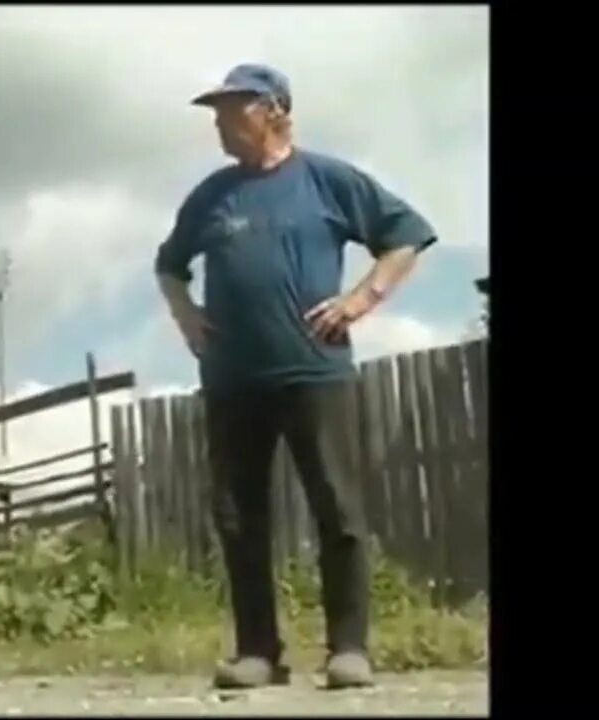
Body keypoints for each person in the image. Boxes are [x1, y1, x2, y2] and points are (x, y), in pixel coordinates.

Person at [154, 63, 436, 690]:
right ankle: (258, 651)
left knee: (337, 507)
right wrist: (187, 316)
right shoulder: (212, 196)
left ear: (275, 110)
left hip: (314, 370)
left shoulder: (328, 180)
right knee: (238, 515)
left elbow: (405, 237)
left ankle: (349, 649)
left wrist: (360, 300)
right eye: (218, 114)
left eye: (235, 110)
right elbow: (170, 264)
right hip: (232, 380)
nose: (222, 124)